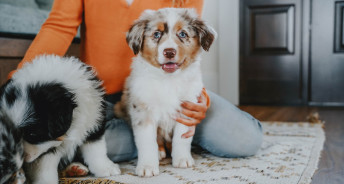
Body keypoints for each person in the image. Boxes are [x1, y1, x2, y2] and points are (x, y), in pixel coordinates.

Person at [13, 0, 263, 163]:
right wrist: (20, 80)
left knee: (245, 139)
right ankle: (153, 139)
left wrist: (199, 99)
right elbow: (59, 26)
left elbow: (190, 41)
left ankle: (169, 135)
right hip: (106, 98)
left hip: (175, 88)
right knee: (94, 145)